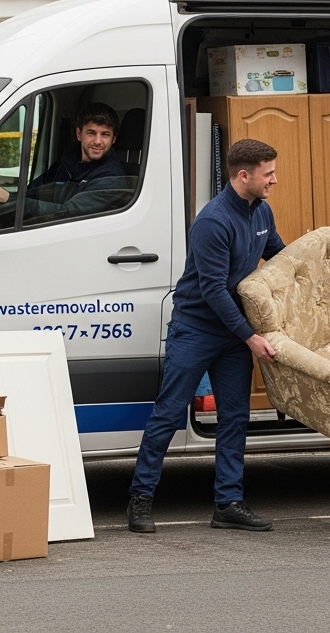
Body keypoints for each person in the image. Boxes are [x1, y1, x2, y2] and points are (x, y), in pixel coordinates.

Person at [127, 139, 285, 533]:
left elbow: (280, 258)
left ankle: (228, 503)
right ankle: (140, 500)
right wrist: (251, 337)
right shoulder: (213, 221)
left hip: (233, 335)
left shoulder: (262, 211)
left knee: (234, 417)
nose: (274, 180)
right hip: (196, 330)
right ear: (243, 175)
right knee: (168, 414)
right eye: (268, 174)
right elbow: (213, 290)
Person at [0, 103, 130, 221]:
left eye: (105, 134)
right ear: (79, 134)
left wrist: (10, 200)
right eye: (91, 133)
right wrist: (6, 197)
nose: (98, 141)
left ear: (113, 139)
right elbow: (35, 192)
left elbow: (67, 213)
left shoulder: (112, 178)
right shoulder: (69, 160)